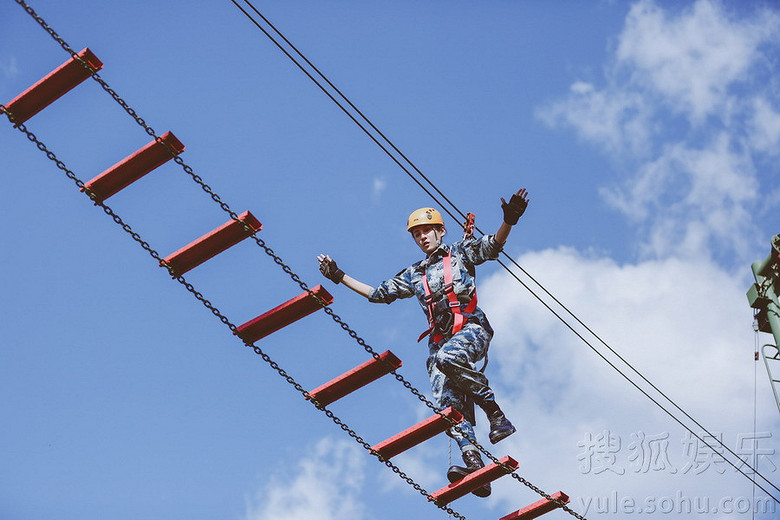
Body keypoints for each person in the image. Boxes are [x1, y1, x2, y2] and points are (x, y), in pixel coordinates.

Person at [317, 189, 529, 497]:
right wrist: (339, 275)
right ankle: (475, 465)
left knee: (448, 358)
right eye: (416, 234)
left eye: (426, 231)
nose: (422, 237)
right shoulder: (415, 273)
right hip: (440, 341)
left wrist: (509, 221)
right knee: (448, 407)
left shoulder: (460, 253)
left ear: (440, 231)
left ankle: (496, 414)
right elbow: (378, 293)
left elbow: (493, 246)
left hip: (471, 329)